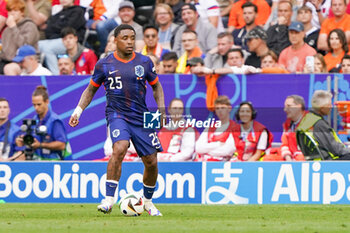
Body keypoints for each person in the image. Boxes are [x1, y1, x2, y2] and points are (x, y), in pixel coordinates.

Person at [69, 24, 165, 216]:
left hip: (142, 116)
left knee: (151, 161)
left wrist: (161, 111)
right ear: (115, 40)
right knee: (119, 148)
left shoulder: (144, 62)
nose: (130, 42)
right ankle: (108, 199)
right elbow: (91, 89)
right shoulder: (104, 64)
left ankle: (147, 202)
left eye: (132, 37)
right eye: (125, 38)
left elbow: (157, 87)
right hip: (117, 114)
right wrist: (78, 111)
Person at [16, 85, 70, 160]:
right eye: (34, 105)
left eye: (39, 104)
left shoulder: (55, 120)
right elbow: (33, 141)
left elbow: (62, 145)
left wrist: (40, 145)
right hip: (37, 162)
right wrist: (24, 140)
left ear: (47, 101)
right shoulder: (35, 119)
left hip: (53, 163)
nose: (36, 108)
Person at [296, 90, 350, 160]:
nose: (331, 107)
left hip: (316, 160)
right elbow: (336, 150)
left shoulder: (307, 120)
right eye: (329, 105)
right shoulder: (319, 124)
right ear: (322, 107)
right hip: (328, 163)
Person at [38, 0, 86, 75]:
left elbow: (68, 29)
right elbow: (48, 30)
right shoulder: (58, 14)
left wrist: (55, 29)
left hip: (72, 42)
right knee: (38, 44)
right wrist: (58, 29)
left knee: (48, 48)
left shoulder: (78, 11)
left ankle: (56, 74)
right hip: (56, 40)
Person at [0, 0, 39, 74]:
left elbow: (25, 46)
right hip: (6, 61)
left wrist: (13, 27)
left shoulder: (30, 26)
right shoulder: (6, 30)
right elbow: (4, 52)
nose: (12, 13)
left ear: (22, 12)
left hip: (23, 61)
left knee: (9, 68)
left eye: (15, 10)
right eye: (10, 11)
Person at [195, 95, 237, 161]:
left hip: (222, 166)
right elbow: (198, 148)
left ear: (229, 108)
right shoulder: (210, 127)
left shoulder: (235, 128)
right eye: (217, 108)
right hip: (205, 164)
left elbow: (227, 151)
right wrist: (218, 144)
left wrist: (207, 150)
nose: (220, 111)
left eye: (222, 108)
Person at [264, 95, 306, 161]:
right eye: (285, 107)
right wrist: (288, 158)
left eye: (289, 106)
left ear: (299, 106)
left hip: (305, 158)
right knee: (268, 159)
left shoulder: (310, 122)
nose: (285, 109)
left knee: (300, 158)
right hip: (290, 157)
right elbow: (284, 144)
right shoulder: (287, 124)